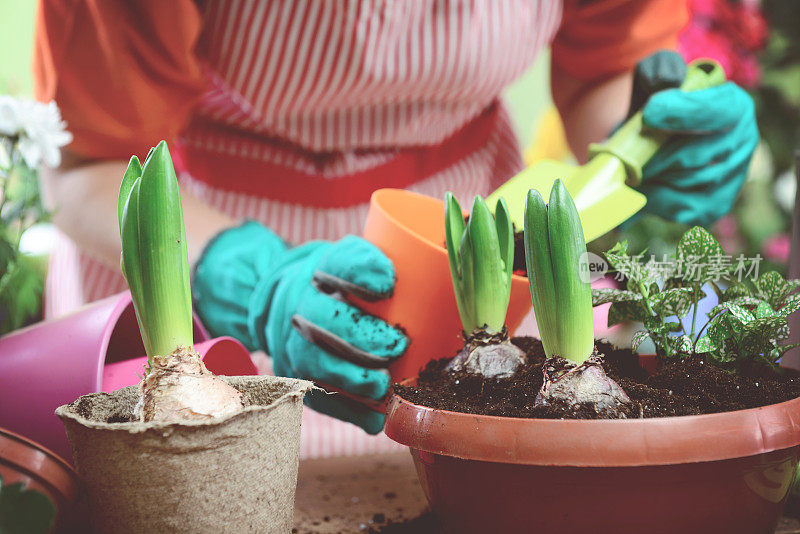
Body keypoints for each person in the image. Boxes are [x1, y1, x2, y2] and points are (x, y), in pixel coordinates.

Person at [34, 0, 757, 456]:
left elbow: (602, 62)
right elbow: (83, 163)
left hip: (463, 237)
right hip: (196, 236)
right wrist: (247, 274)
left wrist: (644, 140)